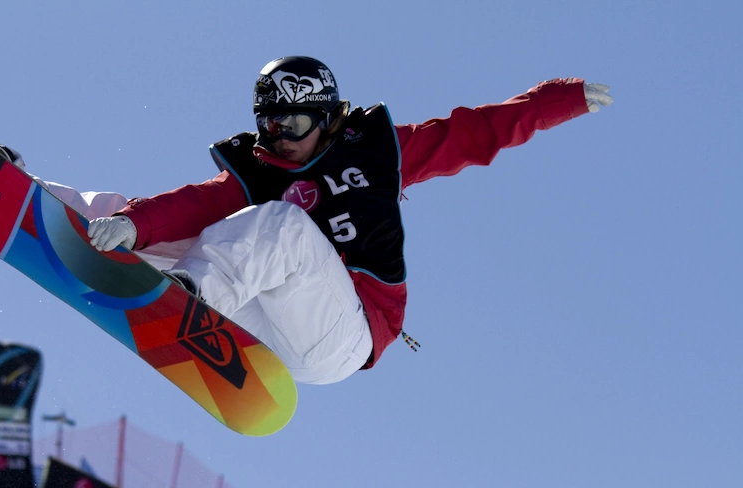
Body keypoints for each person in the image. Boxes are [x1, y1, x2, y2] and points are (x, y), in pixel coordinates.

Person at [41, 56, 610, 384]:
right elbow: (190, 205)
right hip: (265, 317)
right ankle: (31, 193)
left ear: (324, 116)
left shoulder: (376, 151)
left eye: (290, 125)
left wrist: (560, 99)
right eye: (267, 126)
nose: (277, 140)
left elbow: (475, 132)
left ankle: (186, 305)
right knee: (146, 222)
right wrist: (134, 226)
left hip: (346, 332)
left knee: (281, 225)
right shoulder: (258, 170)